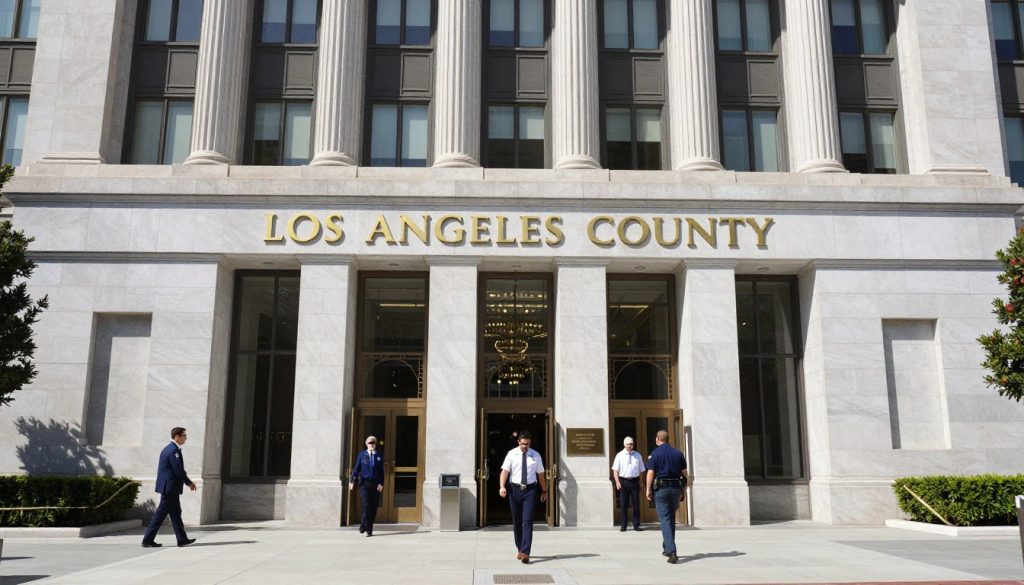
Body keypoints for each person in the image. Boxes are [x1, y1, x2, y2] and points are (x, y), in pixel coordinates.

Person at [141, 427, 196, 548]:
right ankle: (147, 539)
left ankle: (182, 539)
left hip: (171, 487)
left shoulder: (172, 449)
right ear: (177, 436)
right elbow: (178, 470)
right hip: (170, 488)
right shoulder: (172, 450)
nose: (185, 438)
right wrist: (189, 482)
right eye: (184, 436)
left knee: (176, 513)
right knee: (160, 515)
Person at [499, 430, 547, 564]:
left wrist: (544, 490)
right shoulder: (511, 454)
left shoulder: (536, 456)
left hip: (530, 491)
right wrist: (502, 486)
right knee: (517, 522)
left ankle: (526, 552)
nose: (525, 446)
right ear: (518, 442)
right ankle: (519, 548)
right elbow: (505, 471)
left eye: (527, 444)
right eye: (523, 444)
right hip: (514, 490)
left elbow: (541, 475)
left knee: (527, 521)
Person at [645, 429, 688, 564]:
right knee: (670, 518)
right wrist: (683, 490)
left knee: (664, 519)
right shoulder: (678, 453)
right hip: (675, 488)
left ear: (658, 439)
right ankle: (667, 548)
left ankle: (672, 551)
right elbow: (685, 474)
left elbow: (650, 473)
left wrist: (648, 489)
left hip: (662, 490)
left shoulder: (655, 454)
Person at [349, 435, 384, 536]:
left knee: (373, 507)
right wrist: (352, 481)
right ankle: (365, 526)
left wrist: (381, 483)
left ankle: (368, 526)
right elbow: (356, 469)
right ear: (366, 444)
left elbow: (381, 472)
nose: (372, 445)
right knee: (366, 504)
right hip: (364, 483)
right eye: (370, 443)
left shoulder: (379, 455)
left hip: (375, 484)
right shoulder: (362, 455)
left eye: (373, 443)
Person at [611, 436, 645, 532]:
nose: (630, 446)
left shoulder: (638, 455)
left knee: (636, 505)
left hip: (634, 481)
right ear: (624, 444)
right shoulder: (619, 455)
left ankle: (636, 525)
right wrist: (617, 482)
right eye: (628, 444)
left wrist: (641, 482)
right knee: (623, 505)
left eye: (631, 444)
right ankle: (623, 525)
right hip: (623, 482)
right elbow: (615, 470)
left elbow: (642, 470)